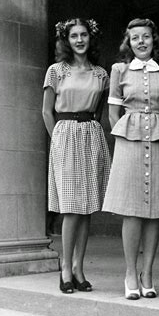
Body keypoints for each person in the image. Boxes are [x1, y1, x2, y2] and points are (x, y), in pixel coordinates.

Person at [42, 17, 110, 294]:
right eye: (74, 36)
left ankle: (79, 268)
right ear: (66, 40)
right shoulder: (56, 71)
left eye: (84, 35)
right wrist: (57, 139)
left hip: (91, 135)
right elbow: (46, 111)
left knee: (87, 207)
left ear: (90, 38)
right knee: (71, 207)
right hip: (65, 135)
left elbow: (100, 112)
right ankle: (65, 269)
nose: (79, 40)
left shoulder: (101, 74)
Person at [102, 18, 159, 300]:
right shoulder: (119, 70)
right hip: (129, 141)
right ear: (128, 43)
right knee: (131, 210)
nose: (141, 42)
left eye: (146, 36)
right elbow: (113, 112)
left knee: (154, 209)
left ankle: (147, 272)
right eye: (135, 38)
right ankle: (130, 272)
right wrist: (124, 136)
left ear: (154, 39)